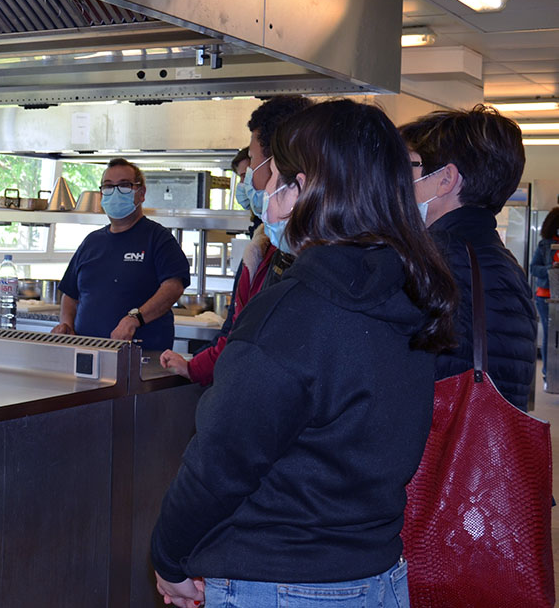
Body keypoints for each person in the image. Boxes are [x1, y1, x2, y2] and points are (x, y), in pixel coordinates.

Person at [151, 99, 457, 608]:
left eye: (281, 180)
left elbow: (221, 464)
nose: (268, 195)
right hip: (376, 576)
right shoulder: (409, 292)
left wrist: (169, 557)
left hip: (280, 580)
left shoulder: (293, 312)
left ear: (312, 189)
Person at [161, 95, 311, 384]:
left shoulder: (309, 261)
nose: (251, 182)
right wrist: (195, 367)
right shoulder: (268, 248)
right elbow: (237, 334)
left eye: (253, 162)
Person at [401, 105, 537, 412]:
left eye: (409, 166)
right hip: (486, 451)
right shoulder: (502, 262)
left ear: (446, 178)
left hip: (442, 452)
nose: (398, 182)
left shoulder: (435, 263)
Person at [51, 158, 190, 348]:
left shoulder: (158, 238)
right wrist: (66, 324)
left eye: (124, 185)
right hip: (88, 353)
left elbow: (173, 287)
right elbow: (70, 294)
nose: (115, 192)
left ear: (140, 194)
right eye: (108, 187)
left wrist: (135, 318)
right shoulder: (91, 242)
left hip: (141, 356)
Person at [529, 206, 559, 376]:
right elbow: (534, 269)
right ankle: (550, 373)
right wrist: (550, 268)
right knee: (550, 337)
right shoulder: (545, 245)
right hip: (546, 296)